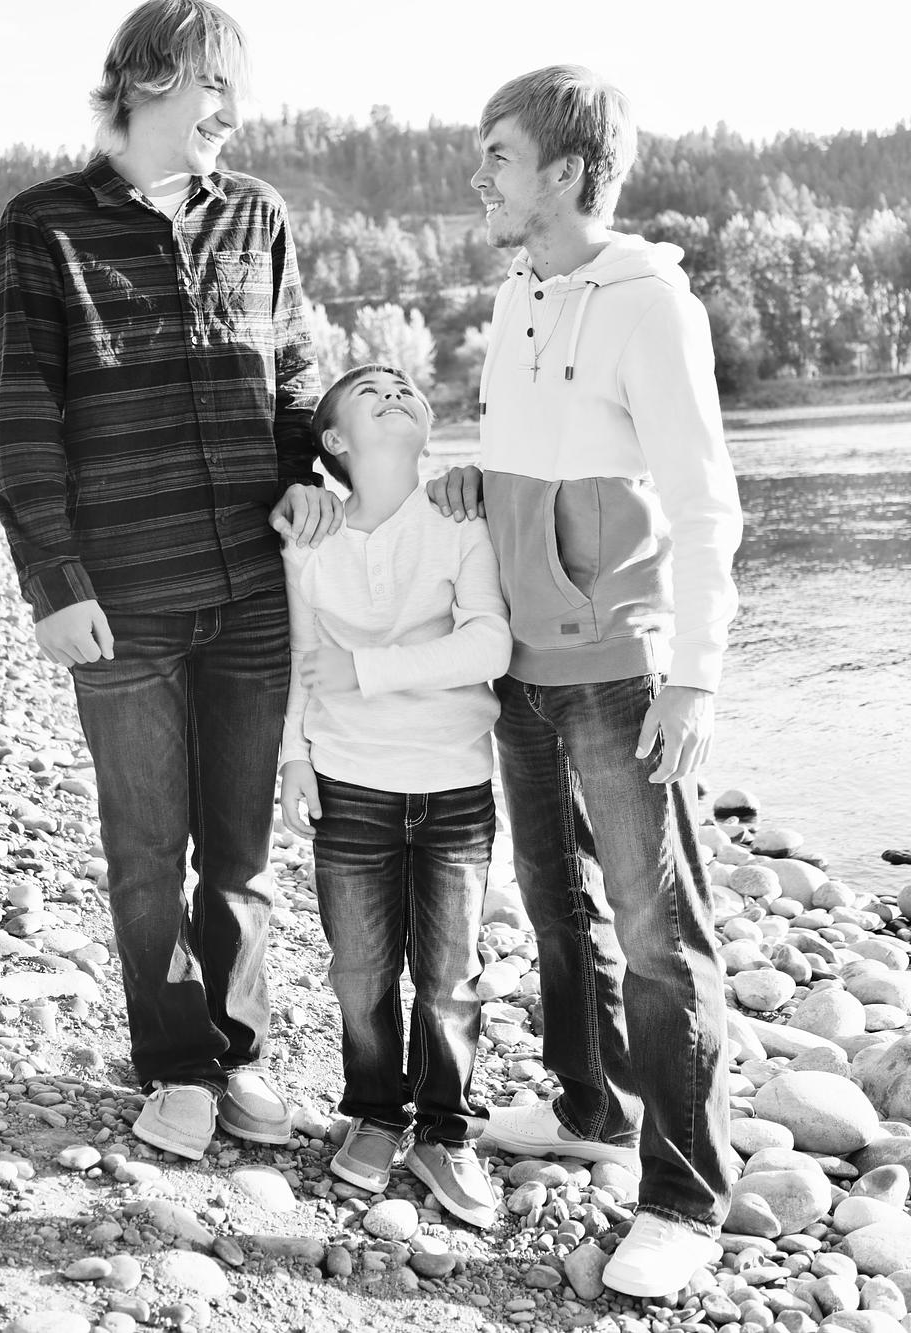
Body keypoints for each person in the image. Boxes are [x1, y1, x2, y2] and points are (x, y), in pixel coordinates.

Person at [0, 0, 339, 1162]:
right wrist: (54, 582)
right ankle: (175, 1063)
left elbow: (295, 378)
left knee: (240, 857)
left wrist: (315, 477)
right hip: (121, 601)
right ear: (144, 80)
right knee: (146, 855)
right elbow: (24, 415)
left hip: (251, 594)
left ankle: (240, 1054)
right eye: (212, 86)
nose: (232, 112)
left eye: (238, 90)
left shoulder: (258, 216)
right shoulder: (43, 225)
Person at [427, 66, 743, 1295]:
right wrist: (478, 481)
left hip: (619, 666)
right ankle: (592, 1109)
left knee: (659, 936)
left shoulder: (649, 304)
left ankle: (685, 1196)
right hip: (522, 662)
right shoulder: (519, 293)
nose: (479, 177)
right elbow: (541, 459)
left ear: (563, 172)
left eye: (498, 156)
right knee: (557, 907)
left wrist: (694, 680)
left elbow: (704, 503)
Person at [278, 364, 513, 1228]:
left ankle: (445, 1132)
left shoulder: (459, 521)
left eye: (407, 386)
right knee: (360, 970)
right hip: (350, 782)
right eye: (370, 390)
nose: (395, 389)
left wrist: (368, 669)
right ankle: (376, 1114)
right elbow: (304, 658)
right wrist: (294, 758)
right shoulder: (311, 538)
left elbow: (490, 645)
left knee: (450, 977)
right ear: (334, 440)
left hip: (454, 786)